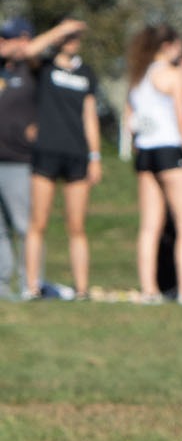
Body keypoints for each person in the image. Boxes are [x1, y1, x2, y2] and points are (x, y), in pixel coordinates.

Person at [2, 17, 85, 298]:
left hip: (21, 160)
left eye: (15, 38)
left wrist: (61, 31)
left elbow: (29, 52)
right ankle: (6, 287)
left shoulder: (35, 67)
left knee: (27, 225)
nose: (9, 44)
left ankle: (32, 284)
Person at [22, 21, 102, 300]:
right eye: (67, 37)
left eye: (75, 36)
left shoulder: (86, 73)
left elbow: (89, 116)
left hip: (77, 154)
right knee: (38, 222)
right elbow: (27, 51)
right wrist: (59, 30)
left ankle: (81, 289)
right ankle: (32, 287)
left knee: (77, 226)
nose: (71, 41)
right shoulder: (44, 67)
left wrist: (95, 156)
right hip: (46, 151)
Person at [126, 24, 182, 303]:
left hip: (146, 153)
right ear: (168, 46)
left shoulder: (138, 77)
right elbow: (181, 119)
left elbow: (130, 121)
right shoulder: (170, 75)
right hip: (171, 152)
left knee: (149, 226)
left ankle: (149, 290)